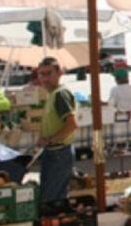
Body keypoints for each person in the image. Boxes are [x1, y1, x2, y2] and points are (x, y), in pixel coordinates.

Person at [35, 57, 77, 203]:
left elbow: (72, 124)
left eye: (48, 74)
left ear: (59, 73)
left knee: (52, 199)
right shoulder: (52, 93)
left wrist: (50, 139)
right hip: (53, 151)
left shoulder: (60, 94)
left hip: (59, 153)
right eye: (41, 74)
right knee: (49, 195)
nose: (45, 78)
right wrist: (43, 137)